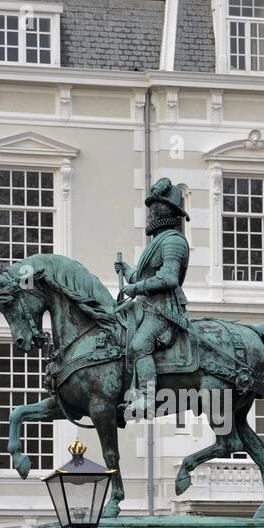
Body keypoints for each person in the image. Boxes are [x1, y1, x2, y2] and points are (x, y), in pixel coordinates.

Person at [114, 177, 190, 415]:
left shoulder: (174, 242)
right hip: (146, 307)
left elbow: (168, 278)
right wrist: (127, 271)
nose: (149, 215)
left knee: (139, 345)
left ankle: (147, 399)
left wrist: (135, 289)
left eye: (153, 210)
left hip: (163, 310)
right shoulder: (157, 242)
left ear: (163, 213)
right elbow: (142, 277)